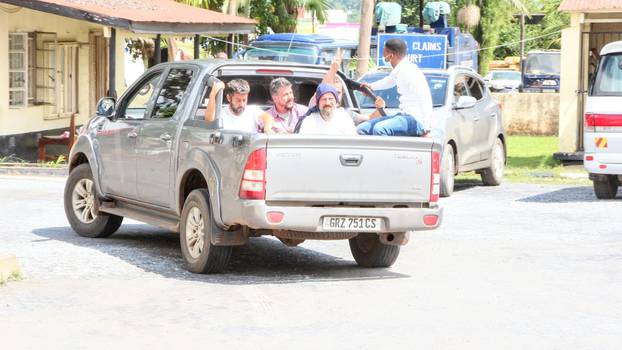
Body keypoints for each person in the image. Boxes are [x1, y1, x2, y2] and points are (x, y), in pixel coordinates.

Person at [357, 38, 433, 136]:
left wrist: (426, 127)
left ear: (391, 56)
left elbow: (424, 97)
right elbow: (389, 81)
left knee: (379, 129)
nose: (384, 59)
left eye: (385, 57)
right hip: (403, 116)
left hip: (415, 120)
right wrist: (371, 86)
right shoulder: (399, 70)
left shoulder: (409, 71)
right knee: (362, 129)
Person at [204, 79, 274, 133]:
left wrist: (267, 127)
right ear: (229, 98)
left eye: (244, 100)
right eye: (238, 100)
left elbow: (267, 117)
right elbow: (209, 120)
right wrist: (213, 93)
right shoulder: (221, 113)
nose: (242, 104)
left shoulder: (253, 110)